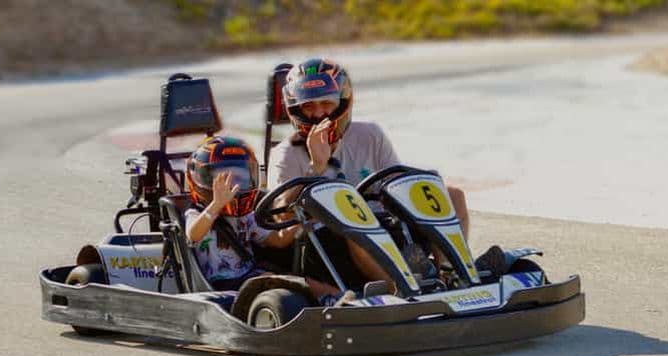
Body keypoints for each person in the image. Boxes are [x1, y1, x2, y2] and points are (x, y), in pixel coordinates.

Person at [267, 58, 473, 286]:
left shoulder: (369, 135)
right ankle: (404, 289)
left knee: (452, 195)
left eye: (326, 103)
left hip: (383, 224)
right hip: (328, 244)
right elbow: (281, 216)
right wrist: (316, 165)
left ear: (343, 103)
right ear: (296, 110)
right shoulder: (284, 154)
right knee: (354, 217)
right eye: (309, 106)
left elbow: (398, 185)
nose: (318, 114)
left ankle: (451, 272)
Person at [185, 135, 348, 301]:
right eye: (224, 180)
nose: (234, 186)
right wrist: (216, 205)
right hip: (221, 285)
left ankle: (343, 299)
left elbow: (277, 240)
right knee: (272, 279)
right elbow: (193, 235)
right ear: (203, 181)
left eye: (240, 178)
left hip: (251, 276)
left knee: (300, 279)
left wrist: (306, 220)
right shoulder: (197, 214)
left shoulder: (245, 217)